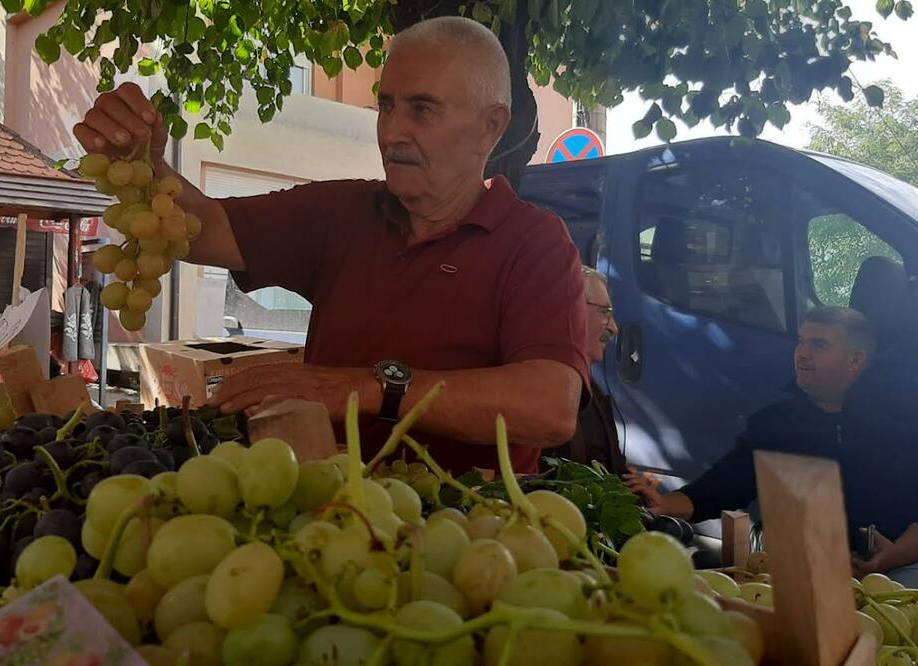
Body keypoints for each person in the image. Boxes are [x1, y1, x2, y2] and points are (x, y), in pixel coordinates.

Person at [73, 17, 589, 474]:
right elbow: (202, 228)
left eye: (422, 110)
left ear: (490, 126)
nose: (392, 133)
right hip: (328, 523)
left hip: (471, 550)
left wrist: (367, 389)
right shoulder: (342, 213)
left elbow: (550, 407)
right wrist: (146, 165)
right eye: (386, 106)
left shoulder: (535, 243)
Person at [628, 306, 918, 586]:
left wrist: (892, 556)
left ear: (855, 360)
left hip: (896, 569)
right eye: (801, 341)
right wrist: (667, 503)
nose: (802, 354)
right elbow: (725, 484)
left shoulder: (901, 426)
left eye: (818, 344)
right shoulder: (775, 424)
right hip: (801, 569)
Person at [553, 268, 626, 475]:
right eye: (604, 312)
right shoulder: (540, 391)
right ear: (570, 309)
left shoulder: (594, 392)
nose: (614, 328)